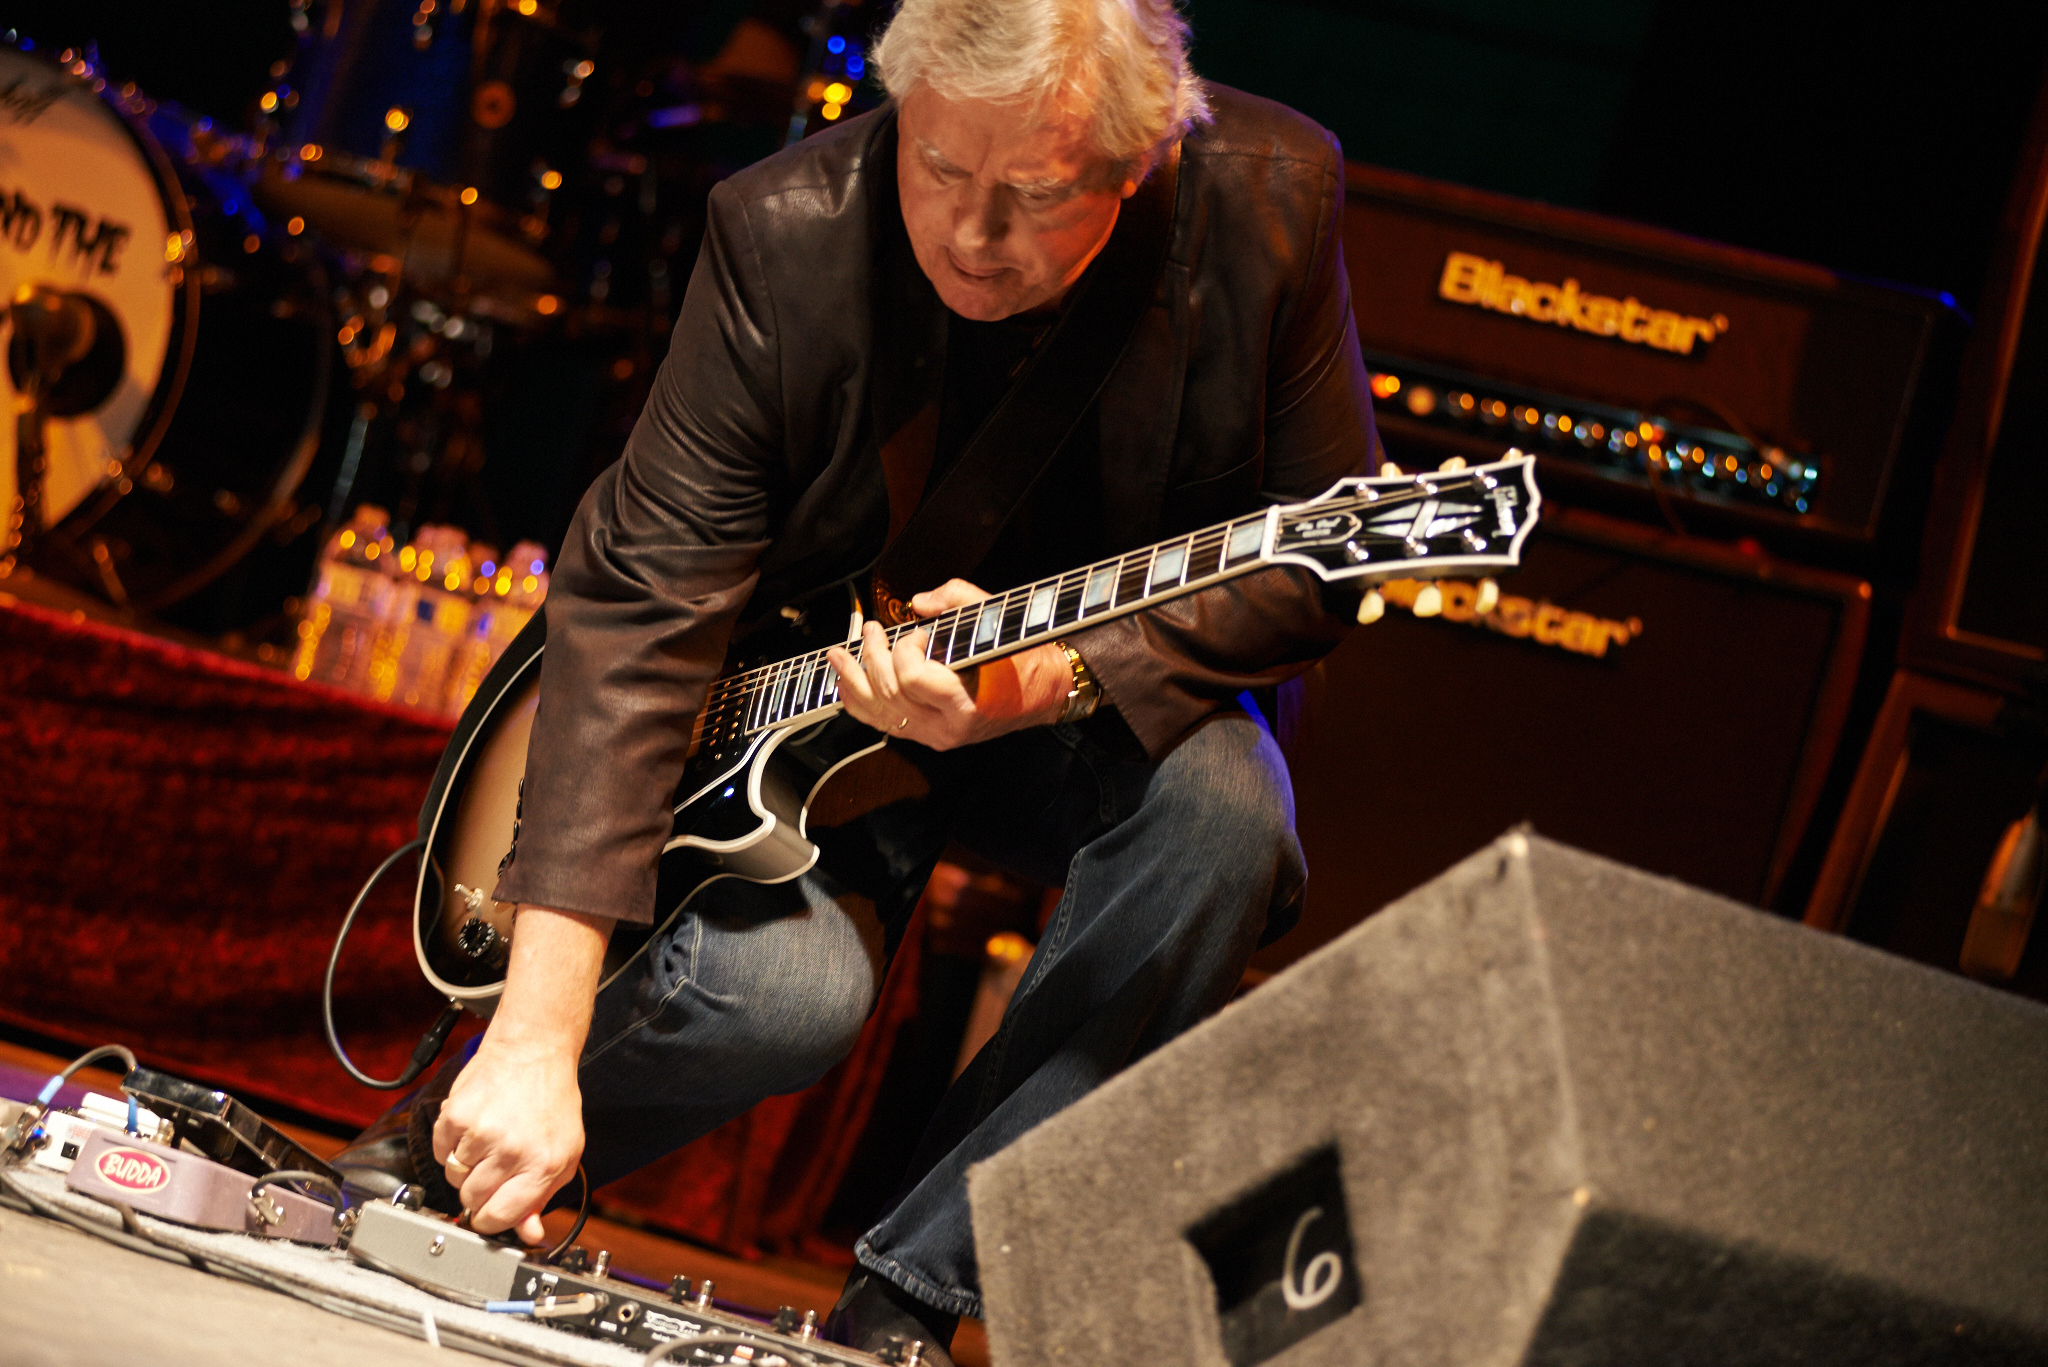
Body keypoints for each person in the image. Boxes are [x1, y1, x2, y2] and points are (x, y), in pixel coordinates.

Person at [332, 0, 1377, 1358]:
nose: (971, 233)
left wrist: (1052, 679)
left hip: (1099, 702)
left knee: (1231, 816)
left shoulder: (1271, 199)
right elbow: (640, 608)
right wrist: (529, 1038)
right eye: (937, 166)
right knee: (782, 999)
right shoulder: (785, 230)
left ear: (1136, 165)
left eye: (1034, 193)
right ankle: (454, 1152)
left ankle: (913, 1299)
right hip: (817, 712)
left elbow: (1314, 565)